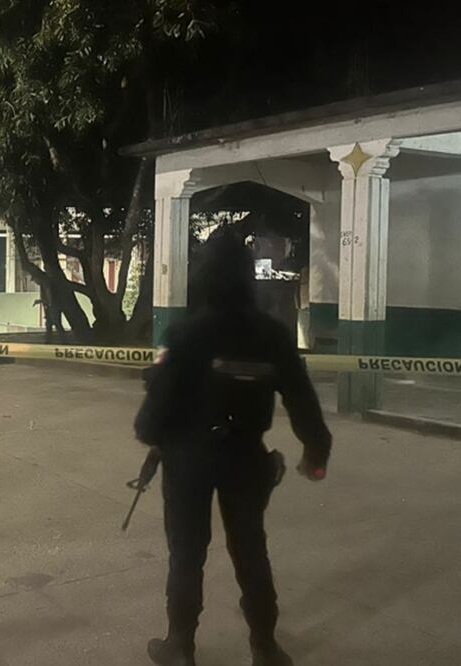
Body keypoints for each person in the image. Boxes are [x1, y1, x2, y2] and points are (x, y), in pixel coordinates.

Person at [134, 229, 331, 666]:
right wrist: (315, 450)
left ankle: (180, 647)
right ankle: (265, 647)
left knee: (187, 554)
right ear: (248, 279)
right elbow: (301, 398)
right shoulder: (274, 335)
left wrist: (156, 410)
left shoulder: (186, 334)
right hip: (245, 458)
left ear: (203, 277)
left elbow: (150, 420)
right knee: (251, 551)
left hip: (188, 461)